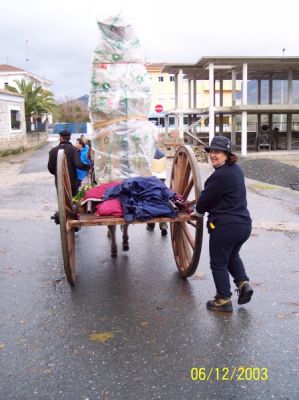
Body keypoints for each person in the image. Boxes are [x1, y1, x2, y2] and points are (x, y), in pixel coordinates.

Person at [192, 136, 253, 313]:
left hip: (225, 226)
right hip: (243, 225)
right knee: (232, 256)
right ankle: (243, 285)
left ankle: (223, 299)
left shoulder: (219, 176)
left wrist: (197, 212)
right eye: (211, 151)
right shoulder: (236, 170)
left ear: (227, 154)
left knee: (218, 262)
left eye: (217, 152)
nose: (213, 155)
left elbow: (205, 200)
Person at [48, 129, 90, 196]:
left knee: (62, 201)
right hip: (72, 182)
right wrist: (88, 167)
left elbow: (50, 168)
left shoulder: (53, 151)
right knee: (73, 200)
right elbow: (79, 164)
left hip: (59, 182)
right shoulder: (74, 150)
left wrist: (58, 173)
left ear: (61, 138)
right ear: (70, 138)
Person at [146, 148, 168, 236]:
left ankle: (151, 225)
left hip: (151, 181)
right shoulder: (161, 153)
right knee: (161, 200)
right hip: (161, 180)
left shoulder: (147, 152)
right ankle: (163, 224)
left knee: (149, 200)